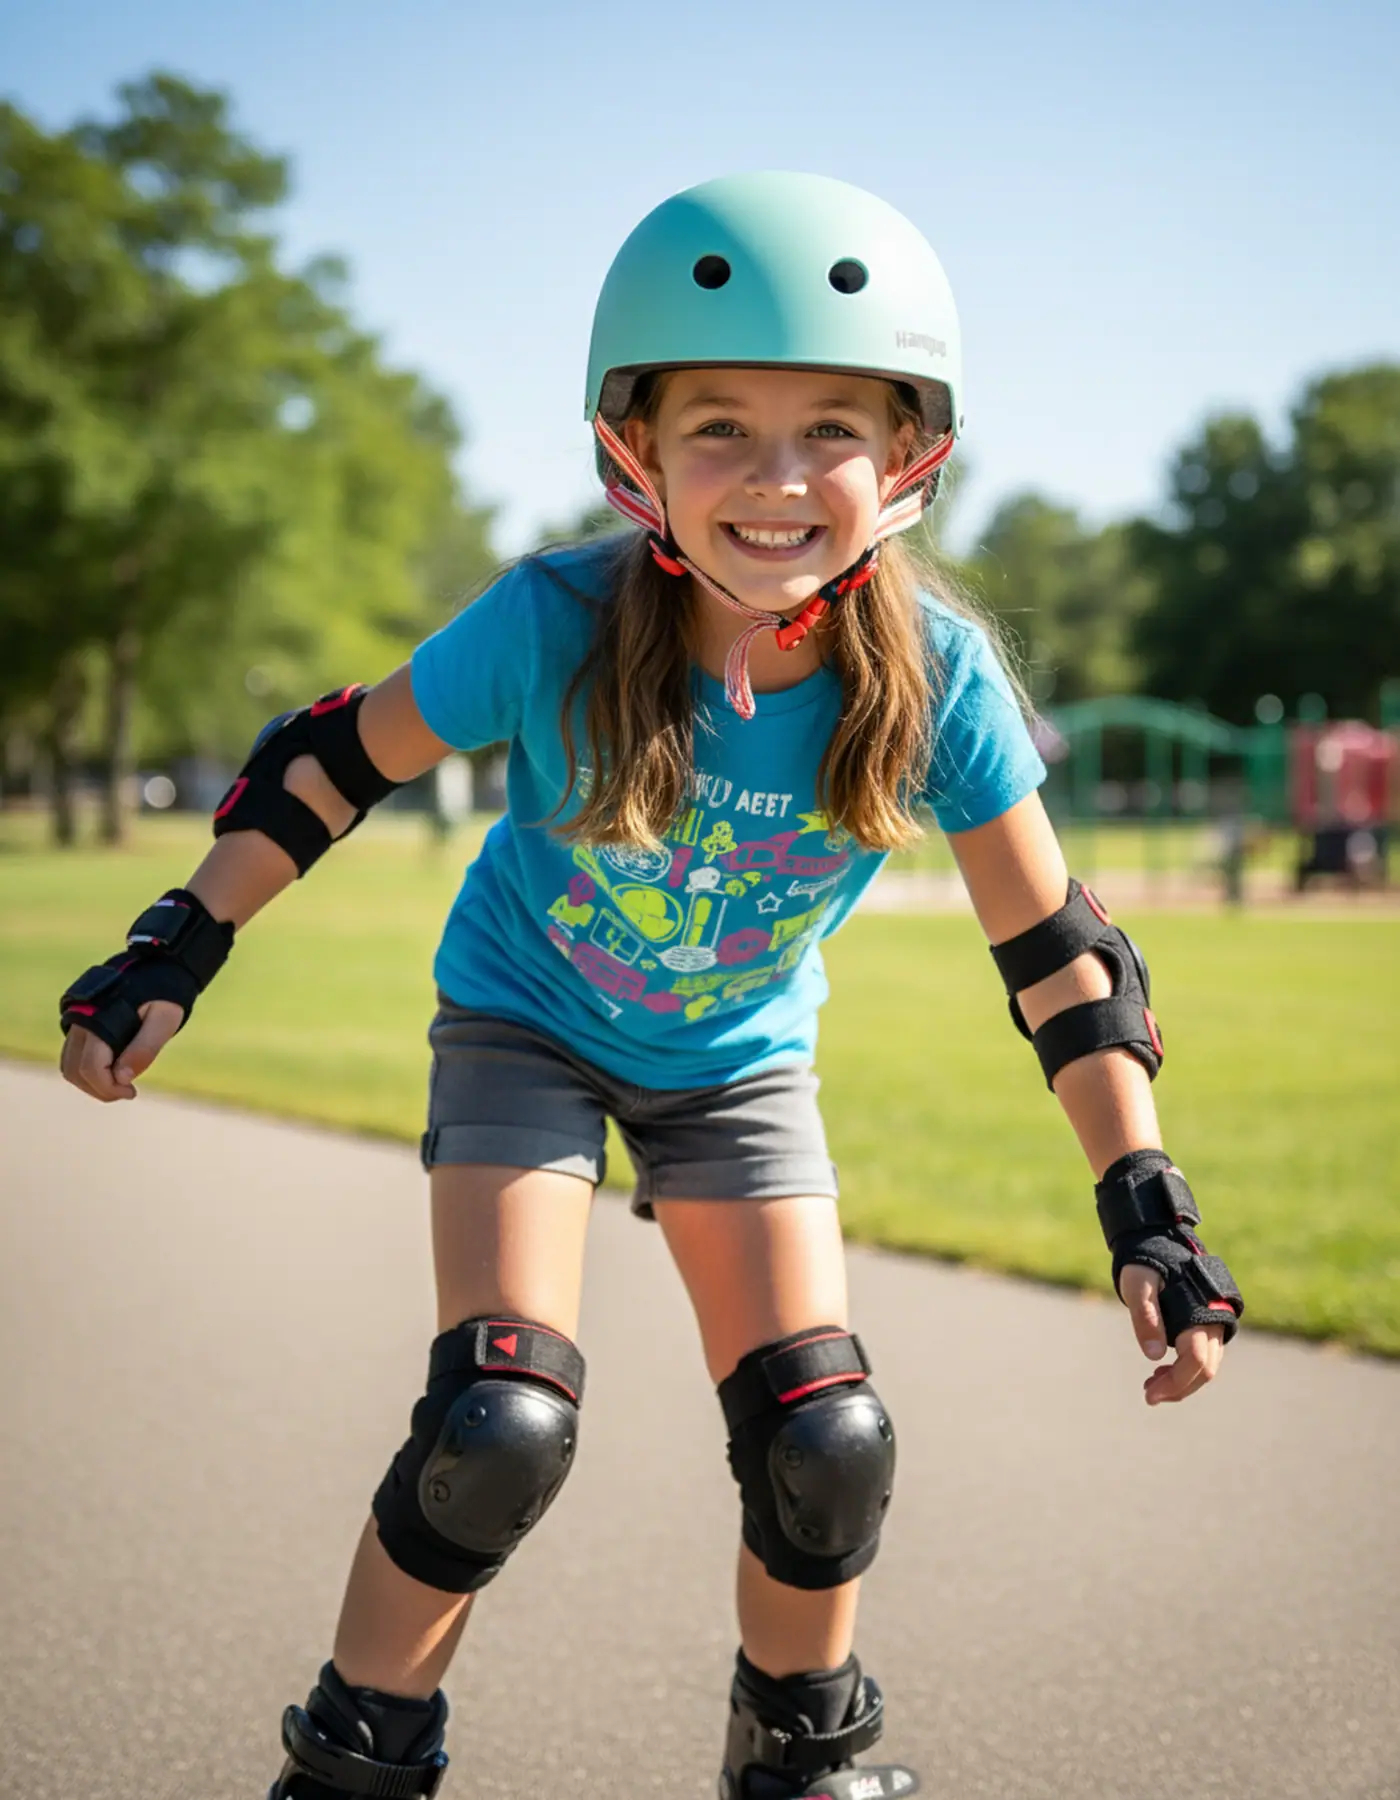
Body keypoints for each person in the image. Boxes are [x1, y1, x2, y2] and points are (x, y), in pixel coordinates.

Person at [57, 172, 1243, 1800]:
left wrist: (1147, 1205)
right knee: (498, 1425)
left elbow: (1062, 960)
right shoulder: (550, 623)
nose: (776, 479)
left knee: (824, 1442)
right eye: (719, 431)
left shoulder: (937, 681)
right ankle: (354, 1765)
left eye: (830, 428)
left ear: (905, 458)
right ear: (638, 449)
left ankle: (800, 1764)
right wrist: (177, 945)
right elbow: (330, 761)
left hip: (738, 1068)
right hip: (526, 1025)